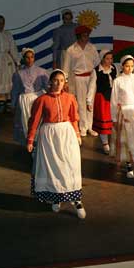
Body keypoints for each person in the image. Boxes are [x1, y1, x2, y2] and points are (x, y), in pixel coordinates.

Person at [27, 69, 86, 218]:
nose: (59, 83)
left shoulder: (70, 98)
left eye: (62, 80)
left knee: (71, 165)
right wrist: (30, 139)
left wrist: (77, 133)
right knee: (54, 167)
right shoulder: (42, 100)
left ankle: (77, 200)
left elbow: (73, 118)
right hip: (49, 135)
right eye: (56, 80)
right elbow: (34, 121)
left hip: (66, 133)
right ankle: (56, 197)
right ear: (50, 82)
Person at [62, 24, 100, 137]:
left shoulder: (92, 48)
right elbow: (66, 67)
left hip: (91, 77)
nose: (86, 37)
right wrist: (66, 81)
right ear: (78, 36)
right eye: (84, 35)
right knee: (81, 103)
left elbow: (97, 63)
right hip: (78, 78)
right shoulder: (71, 50)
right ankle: (83, 127)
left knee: (90, 102)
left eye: (87, 35)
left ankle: (90, 127)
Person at [11, 48, 49, 145]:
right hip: (25, 100)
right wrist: (13, 104)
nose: (30, 59)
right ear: (24, 59)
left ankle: (40, 141)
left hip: (38, 98)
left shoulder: (42, 72)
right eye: (27, 57)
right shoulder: (18, 73)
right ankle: (30, 141)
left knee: (39, 121)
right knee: (26, 121)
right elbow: (15, 90)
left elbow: (47, 87)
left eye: (32, 57)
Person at [86, 49, 118, 154]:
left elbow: (117, 84)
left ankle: (114, 143)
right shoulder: (96, 71)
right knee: (104, 123)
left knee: (113, 122)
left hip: (113, 98)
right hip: (102, 99)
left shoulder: (114, 69)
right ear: (102, 59)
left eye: (111, 58)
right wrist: (89, 101)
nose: (110, 61)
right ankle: (105, 144)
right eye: (107, 58)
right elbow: (91, 87)